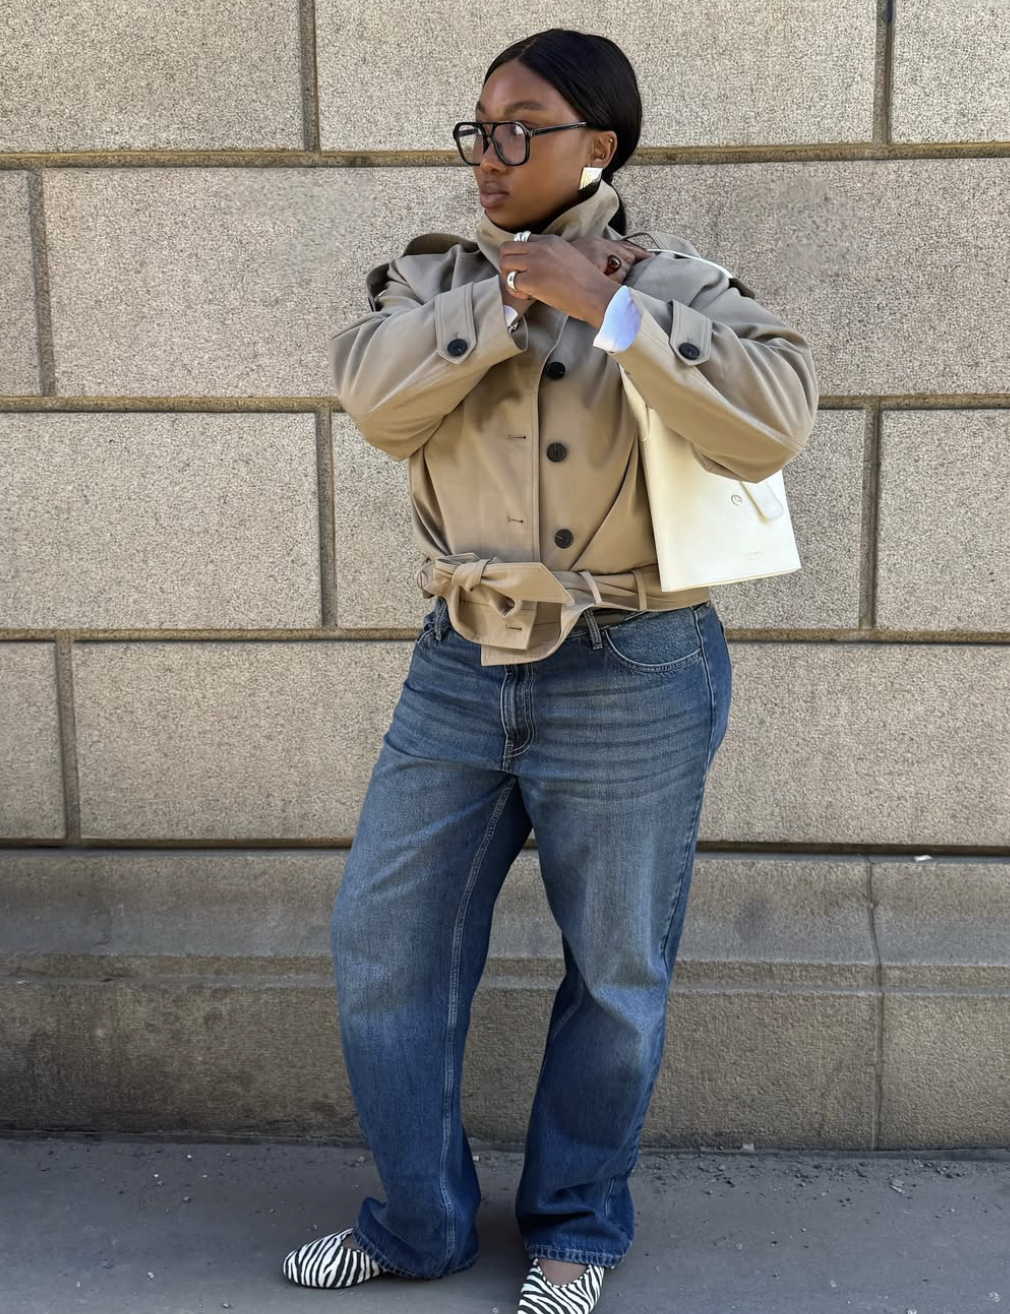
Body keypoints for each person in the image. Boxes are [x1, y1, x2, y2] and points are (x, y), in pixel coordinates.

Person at [283, 26, 818, 1314]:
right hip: (460, 662)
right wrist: (505, 301)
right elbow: (374, 400)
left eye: (523, 128)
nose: (491, 153)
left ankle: (577, 1229)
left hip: (634, 664)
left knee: (615, 973)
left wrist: (611, 310)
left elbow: (777, 419)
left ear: (600, 146)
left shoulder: (675, 283)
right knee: (385, 945)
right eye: (480, 128)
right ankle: (419, 1225)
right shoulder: (432, 283)